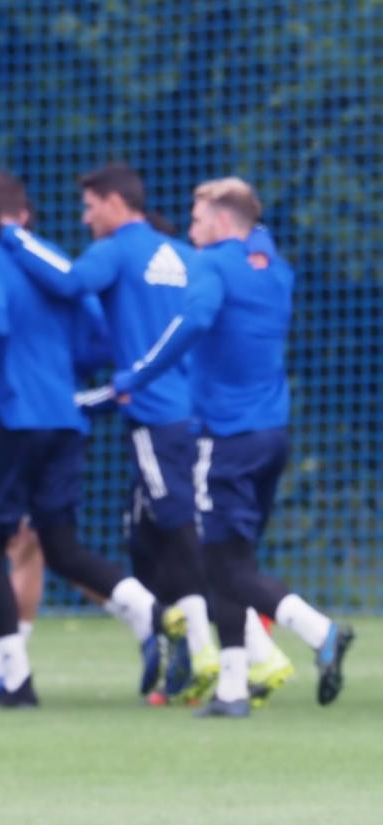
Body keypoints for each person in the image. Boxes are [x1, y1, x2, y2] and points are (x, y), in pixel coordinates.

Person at [0, 171, 179, 708]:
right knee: (60, 544)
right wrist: (52, 370)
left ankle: (14, 679)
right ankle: (152, 612)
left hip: (8, 418)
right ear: (25, 217)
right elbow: (97, 339)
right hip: (63, 419)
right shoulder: (53, 259)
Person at [111, 177, 354, 716]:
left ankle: (320, 632)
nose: (191, 230)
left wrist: (138, 375)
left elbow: (194, 320)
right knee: (230, 559)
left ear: (221, 223)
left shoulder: (214, 265)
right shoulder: (273, 270)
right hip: (273, 437)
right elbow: (255, 241)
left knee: (223, 565)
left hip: (225, 440)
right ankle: (233, 689)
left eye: (197, 220)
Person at [0, 162, 216, 700]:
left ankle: (221, 648)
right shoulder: (180, 254)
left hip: (158, 413)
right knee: (147, 536)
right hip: (194, 411)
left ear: (115, 203)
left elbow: (70, 282)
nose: (86, 217)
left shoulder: (118, 249)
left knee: (177, 529)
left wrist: (13, 237)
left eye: (90, 207)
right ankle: (174, 643)